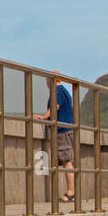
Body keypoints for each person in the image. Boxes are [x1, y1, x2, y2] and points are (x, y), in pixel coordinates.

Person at [34, 72, 75, 204]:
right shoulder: (63, 91)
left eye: (47, 79)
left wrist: (44, 116)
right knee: (65, 161)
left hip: (62, 131)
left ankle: (70, 192)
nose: (46, 83)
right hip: (66, 129)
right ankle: (71, 192)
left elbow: (55, 106)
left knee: (66, 161)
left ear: (51, 80)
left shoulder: (57, 91)